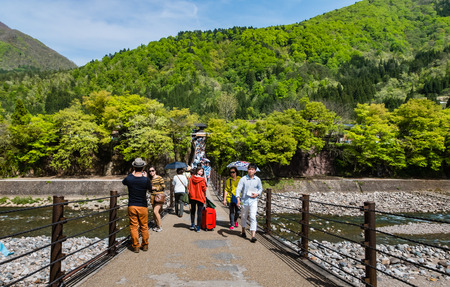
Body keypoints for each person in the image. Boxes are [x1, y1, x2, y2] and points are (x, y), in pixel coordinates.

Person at [122, 158, 152, 253]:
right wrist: (145, 176)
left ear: (134, 167)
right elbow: (150, 189)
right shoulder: (145, 180)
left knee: (134, 226)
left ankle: (135, 246)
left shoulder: (129, 178)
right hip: (142, 205)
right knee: (144, 226)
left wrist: (132, 173)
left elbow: (124, 181)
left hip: (132, 205)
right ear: (143, 168)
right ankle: (145, 244)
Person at [236, 163, 263, 243]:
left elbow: (260, 189)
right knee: (244, 216)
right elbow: (238, 189)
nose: (250, 171)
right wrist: (238, 199)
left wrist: (257, 194)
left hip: (253, 200)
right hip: (244, 200)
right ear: (247, 170)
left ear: (255, 171)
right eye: (249, 169)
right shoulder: (243, 179)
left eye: (252, 169)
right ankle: (243, 230)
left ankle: (253, 236)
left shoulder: (257, 179)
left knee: (252, 216)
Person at [188, 167, 207, 232]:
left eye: (202, 171)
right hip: (200, 197)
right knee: (199, 212)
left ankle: (192, 224)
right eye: (201, 171)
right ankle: (198, 226)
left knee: (193, 211)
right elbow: (204, 189)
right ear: (197, 171)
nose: (202, 172)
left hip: (193, 196)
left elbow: (189, 187)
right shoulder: (202, 179)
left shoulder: (191, 178)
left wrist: (190, 194)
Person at [148, 166, 165, 232]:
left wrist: (155, 188)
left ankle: (160, 226)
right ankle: (156, 225)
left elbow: (163, 186)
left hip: (159, 196)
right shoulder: (150, 179)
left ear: (155, 171)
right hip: (152, 196)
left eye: (152, 170)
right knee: (154, 212)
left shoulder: (159, 178)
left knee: (155, 211)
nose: (151, 172)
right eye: (150, 171)